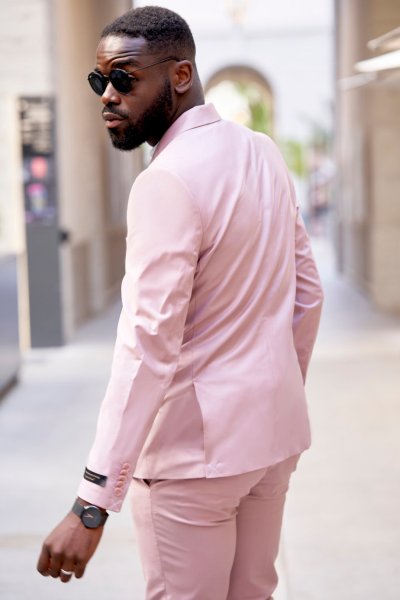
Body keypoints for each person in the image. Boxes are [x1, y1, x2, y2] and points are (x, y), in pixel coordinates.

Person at [37, 6, 323, 599]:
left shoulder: (165, 181)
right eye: (100, 81)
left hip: (193, 462)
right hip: (270, 444)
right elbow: (307, 294)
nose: (108, 97)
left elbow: (147, 345)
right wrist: (272, 391)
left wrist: (92, 501)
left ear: (181, 75)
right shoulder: (264, 153)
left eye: (124, 78)